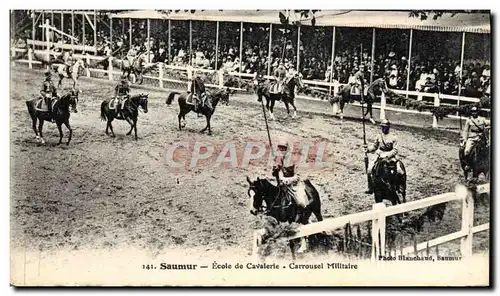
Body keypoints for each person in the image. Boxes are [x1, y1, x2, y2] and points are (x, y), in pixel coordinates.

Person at [363, 119, 404, 194]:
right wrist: (368, 149)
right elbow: (375, 147)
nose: (383, 128)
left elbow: (395, 150)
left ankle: (399, 186)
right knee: (369, 170)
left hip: (391, 155)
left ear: (388, 127)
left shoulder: (393, 137)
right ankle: (371, 187)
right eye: (382, 127)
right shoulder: (379, 136)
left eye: (385, 127)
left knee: (399, 171)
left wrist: (387, 155)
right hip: (380, 154)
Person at [271, 138, 309, 208]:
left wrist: (288, 180)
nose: (281, 150)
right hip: (282, 185)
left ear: (287, 149)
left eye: (283, 148)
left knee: (301, 202)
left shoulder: (294, 159)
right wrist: (275, 169)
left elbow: (298, 176)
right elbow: (274, 174)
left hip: (294, 185)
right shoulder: (278, 159)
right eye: (280, 148)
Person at [461, 106, 490, 171]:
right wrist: (464, 140)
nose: (474, 113)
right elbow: (465, 130)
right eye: (473, 112)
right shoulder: (469, 120)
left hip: (481, 138)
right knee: (467, 151)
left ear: (478, 112)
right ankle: (468, 164)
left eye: (475, 112)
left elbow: (489, 122)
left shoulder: (482, 119)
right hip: (472, 138)